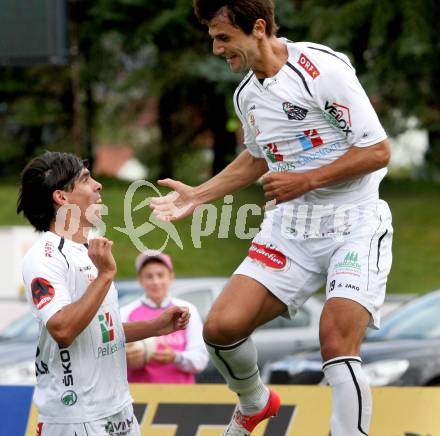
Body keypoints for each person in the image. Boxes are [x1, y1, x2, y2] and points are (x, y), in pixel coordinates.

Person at [149, 1, 393, 435]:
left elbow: (377, 151)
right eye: (213, 39)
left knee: (335, 340)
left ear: (258, 28)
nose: (217, 50)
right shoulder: (247, 95)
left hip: (355, 225)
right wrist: (199, 196)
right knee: (221, 327)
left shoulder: (322, 69)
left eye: (223, 38)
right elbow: (257, 159)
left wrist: (308, 180)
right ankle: (254, 402)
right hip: (292, 230)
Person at [17, 151, 190, 436]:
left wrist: (155, 326)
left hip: (117, 411)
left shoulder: (88, 248)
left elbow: (99, 330)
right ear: (61, 198)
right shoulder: (45, 256)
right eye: (85, 180)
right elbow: (63, 329)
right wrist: (105, 276)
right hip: (77, 417)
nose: (98, 185)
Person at [121, 250, 208, 383]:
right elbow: (110, 359)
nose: (156, 282)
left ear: (171, 277)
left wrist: (175, 357)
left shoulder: (185, 310)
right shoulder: (126, 312)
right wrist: (125, 358)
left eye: (160, 275)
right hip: (139, 396)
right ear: (140, 280)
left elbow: (200, 359)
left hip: (182, 397)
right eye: (149, 276)